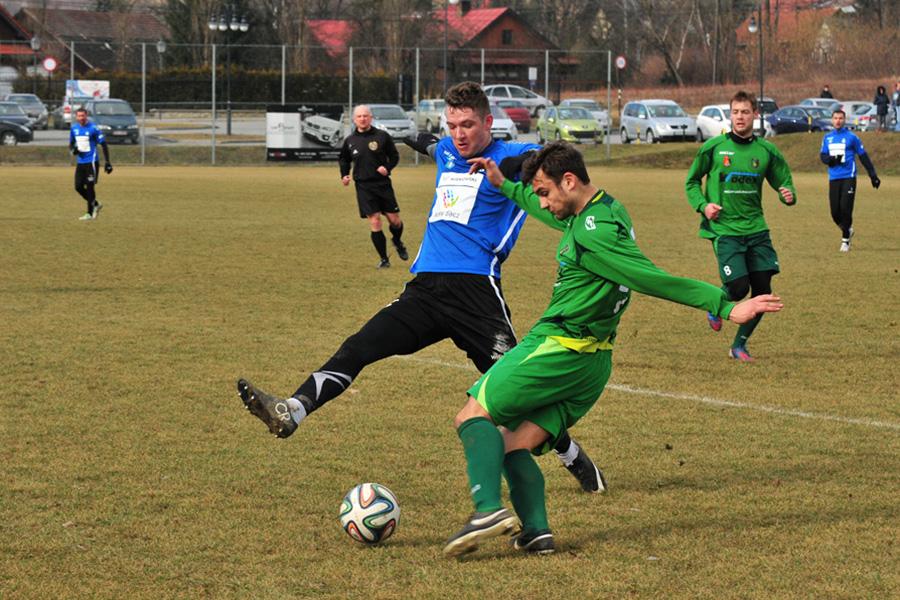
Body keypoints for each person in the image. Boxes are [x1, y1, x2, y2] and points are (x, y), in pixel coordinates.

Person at [237, 82, 607, 494]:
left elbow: (537, 163)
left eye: (468, 124)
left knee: (516, 399)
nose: (459, 134)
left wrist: (539, 158)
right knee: (359, 346)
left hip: (477, 295)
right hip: (425, 290)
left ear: (488, 122)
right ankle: (293, 410)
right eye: (452, 125)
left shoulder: (510, 159)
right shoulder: (448, 150)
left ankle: (573, 457)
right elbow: (427, 142)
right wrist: (393, 136)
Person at [443, 142, 784, 557]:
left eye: (545, 192)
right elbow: (561, 221)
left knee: (473, 414)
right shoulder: (603, 210)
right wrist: (508, 187)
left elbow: (650, 277)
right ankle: (536, 531)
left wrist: (725, 305)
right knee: (513, 443)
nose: (543, 203)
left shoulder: (594, 236)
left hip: (562, 347)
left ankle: (487, 510)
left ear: (569, 181)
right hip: (594, 363)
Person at [685, 90, 796, 363]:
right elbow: (691, 182)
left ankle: (739, 346)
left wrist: (787, 194)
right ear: (730, 114)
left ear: (755, 115)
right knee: (736, 287)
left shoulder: (766, 151)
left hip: (757, 230)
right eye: (735, 112)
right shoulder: (713, 148)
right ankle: (715, 305)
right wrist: (703, 205)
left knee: (762, 292)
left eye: (745, 112)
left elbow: (784, 181)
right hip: (725, 230)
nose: (740, 117)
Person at [338, 105, 408, 268]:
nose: (362, 119)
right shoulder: (350, 140)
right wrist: (344, 174)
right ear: (355, 120)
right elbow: (344, 159)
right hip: (363, 186)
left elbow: (394, 156)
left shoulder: (382, 136)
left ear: (371, 118)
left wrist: (387, 168)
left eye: (365, 116)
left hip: (383, 184)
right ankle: (384, 259)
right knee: (375, 221)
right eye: (359, 116)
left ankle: (397, 241)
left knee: (394, 220)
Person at [819, 109, 880, 252]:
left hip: (849, 177)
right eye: (835, 118)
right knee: (835, 213)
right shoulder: (827, 138)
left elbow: (863, 157)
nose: (838, 121)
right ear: (832, 120)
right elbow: (823, 157)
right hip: (834, 178)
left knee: (846, 208)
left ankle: (845, 240)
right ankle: (847, 229)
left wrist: (873, 176)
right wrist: (832, 160)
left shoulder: (852, 138)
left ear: (844, 120)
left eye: (840, 118)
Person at [69, 107, 113, 221]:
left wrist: (107, 162)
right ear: (76, 117)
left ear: (86, 116)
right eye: (79, 116)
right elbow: (71, 144)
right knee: (78, 187)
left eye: (83, 116)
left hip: (92, 162)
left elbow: (103, 144)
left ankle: (89, 213)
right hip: (80, 163)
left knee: (89, 187)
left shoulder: (94, 128)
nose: (81, 118)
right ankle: (96, 204)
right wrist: (74, 150)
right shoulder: (74, 128)